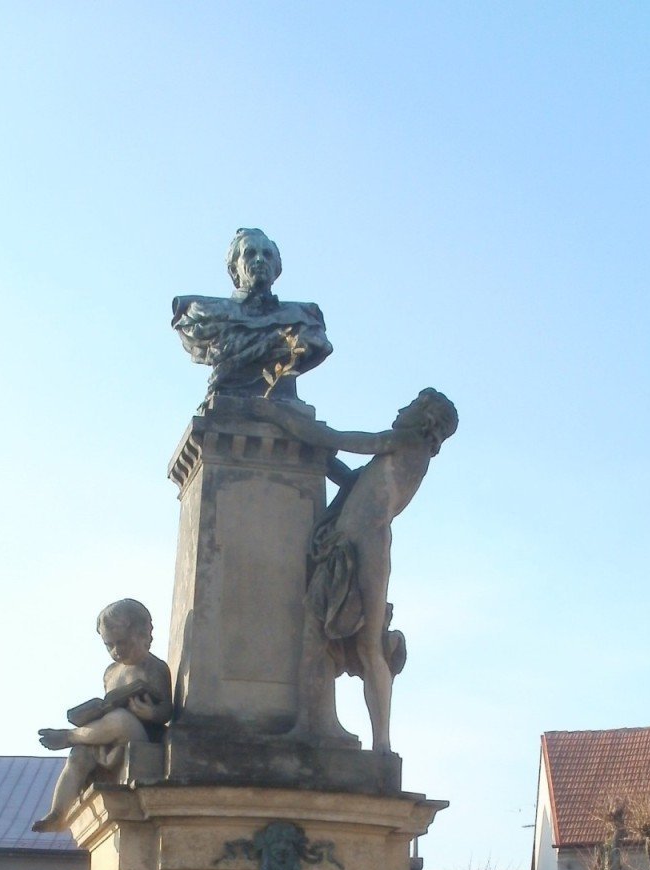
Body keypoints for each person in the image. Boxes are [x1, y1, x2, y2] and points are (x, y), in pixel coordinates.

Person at [268, 390, 458, 754]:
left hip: (364, 547)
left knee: (363, 642)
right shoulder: (399, 455)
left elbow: (345, 441)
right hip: (347, 545)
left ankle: (377, 743)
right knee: (326, 634)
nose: (401, 408)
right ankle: (327, 727)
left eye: (412, 405)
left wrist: (284, 420)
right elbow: (349, 477)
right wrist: (317, 452)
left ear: (426, 420)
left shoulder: (408, 441)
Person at [32, 599, 173, 832]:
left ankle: (70, 735)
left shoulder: (154, 668)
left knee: (120, 719)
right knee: (78, 756)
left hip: (140, 739)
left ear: (144, 634)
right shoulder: (111, 673)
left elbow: (167, 710)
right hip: (108, 740)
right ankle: (58, 813)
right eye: (110, 645)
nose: (117, 651)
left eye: (123, 643)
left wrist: (151, 712)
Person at [172, 227, 332, 402]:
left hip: (285, 405)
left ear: (276, 268)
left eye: (267, 255)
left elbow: (318, 345)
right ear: (234, 269)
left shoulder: (303, 318)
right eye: (250, 253)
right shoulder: (204, 314)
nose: (260, 259)